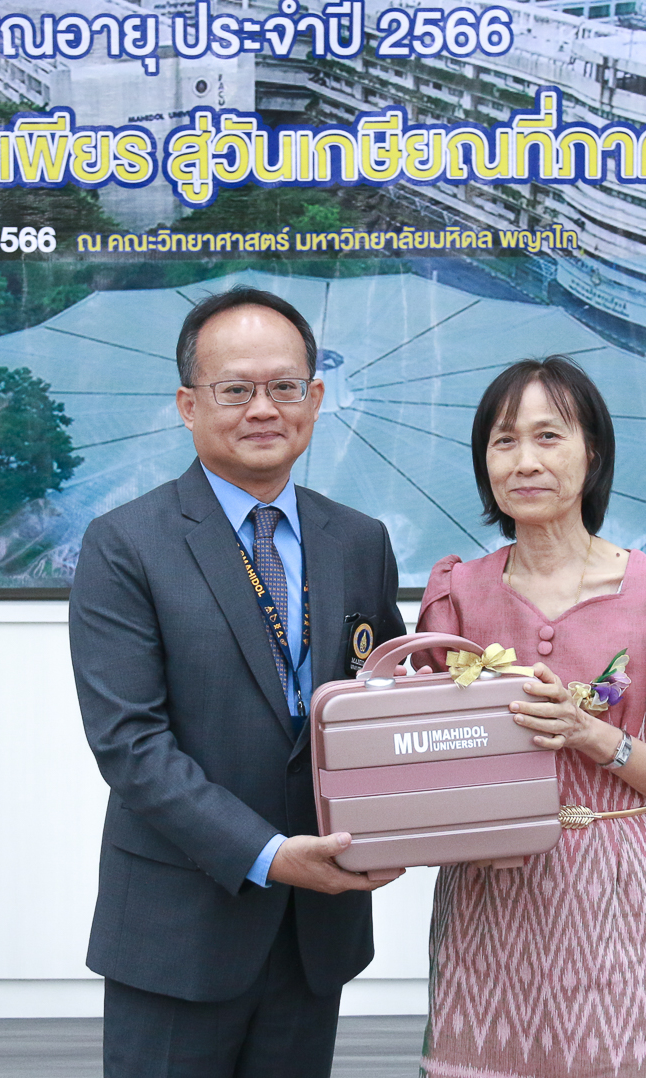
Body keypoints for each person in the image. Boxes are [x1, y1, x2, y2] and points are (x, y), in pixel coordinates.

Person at [69, 286, 408, 1078]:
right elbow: (131, 746)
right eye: (235, 390)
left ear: (314, 399)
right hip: (180, 928)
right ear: (188, 405)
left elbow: (385, 702)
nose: (264, 409)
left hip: (317, 925)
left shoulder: (359, 540)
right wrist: (270, 853)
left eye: (284, 386)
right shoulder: (126, 544)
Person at [414, 356, 646, 1078]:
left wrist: (593, 736)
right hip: (487, 897)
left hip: (618, 894)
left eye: (548, 436)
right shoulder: (456, 595)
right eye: (503, 440)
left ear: (594, 453)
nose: (524, 460)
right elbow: (433, 766)